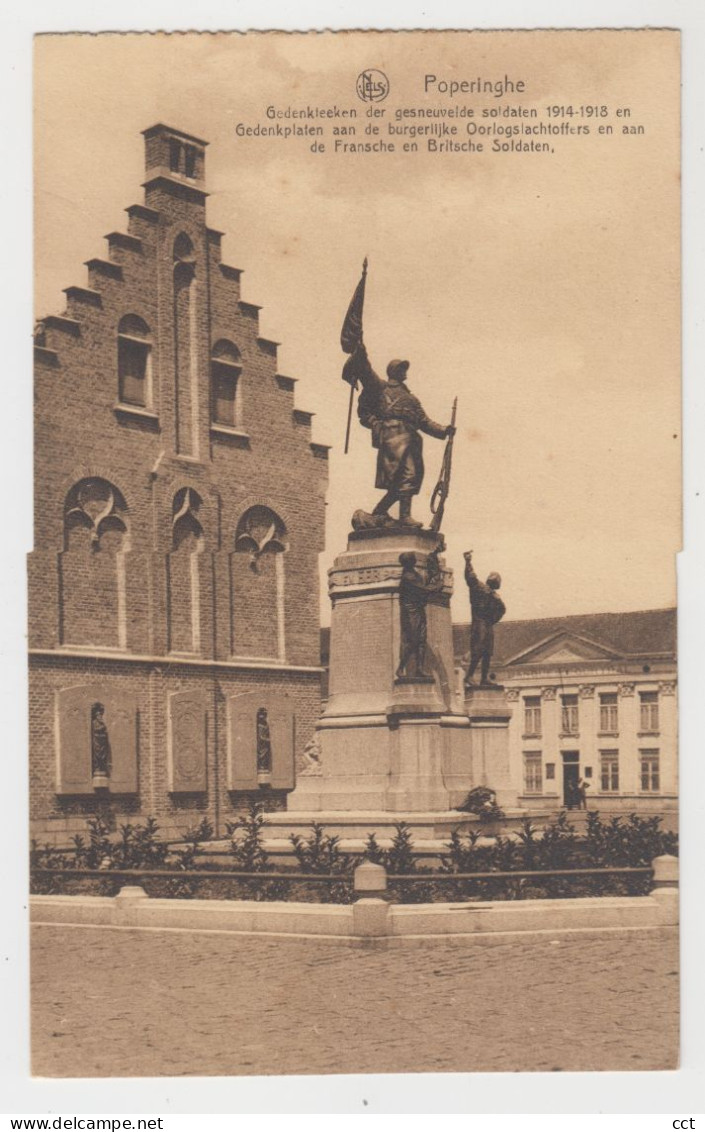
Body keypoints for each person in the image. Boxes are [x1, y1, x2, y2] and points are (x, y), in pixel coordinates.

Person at [350, 343, 454, 527]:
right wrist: (360, 350)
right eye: (401, 369)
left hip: (412, 440)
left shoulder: (411, 398)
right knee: (407, 476)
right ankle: (403, 516)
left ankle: (379, 513)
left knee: (407, 479)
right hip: (393, 438)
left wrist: (444, 430)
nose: (405, 372)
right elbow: (366, 374)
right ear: (394, 372)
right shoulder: (381, 389)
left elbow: (424, 421)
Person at [396, 551, 444, 678]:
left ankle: (419, 669)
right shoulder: (408, 576)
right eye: (413, 559)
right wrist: (438, 585)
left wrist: (433, 557)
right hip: (410, 612)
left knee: (422, 640)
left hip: (418, 610)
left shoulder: (414, 574)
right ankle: (401, 668)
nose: (415, 560)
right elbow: (425, 589)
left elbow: (424, 583)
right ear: (411, 562)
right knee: (413, 640)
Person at [463, 550, 506, 687]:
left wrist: (493, 620)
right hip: (479, 622)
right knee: (478, 649)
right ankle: (469, 675)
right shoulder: (479, 587)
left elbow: (502, 610)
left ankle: (483, 678)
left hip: (487, 624)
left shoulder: (495, 596)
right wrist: (468, 561)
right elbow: (470, 577)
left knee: (487, 652)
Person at [90, 702, 111, 780]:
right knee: (97, 755)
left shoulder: (102, 723)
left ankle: (102, 768)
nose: (100, 716)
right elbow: (95, 730)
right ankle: (97, 768)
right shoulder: (94, 723)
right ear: (96, 716)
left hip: (102, 742)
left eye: (101, 715)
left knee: (103, 756)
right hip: (96, 741)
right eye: (98, 715)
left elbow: (104, 730)